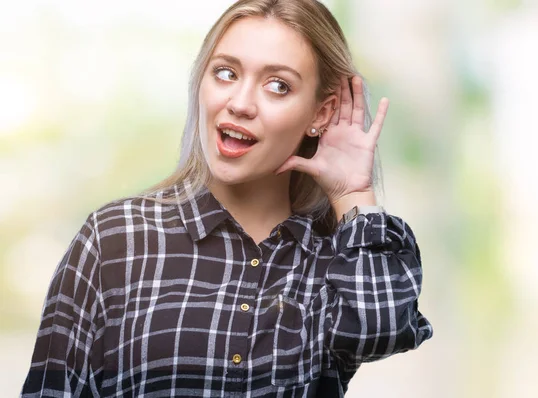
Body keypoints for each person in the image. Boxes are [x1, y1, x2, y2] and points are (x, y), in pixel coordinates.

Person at [21, 0, 433, 396]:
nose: (239, 103)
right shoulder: (116, 239)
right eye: (225, 73)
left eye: (278, 85)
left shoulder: (334, 261)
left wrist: (351, 192)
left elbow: (381, 328)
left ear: (320, 115)